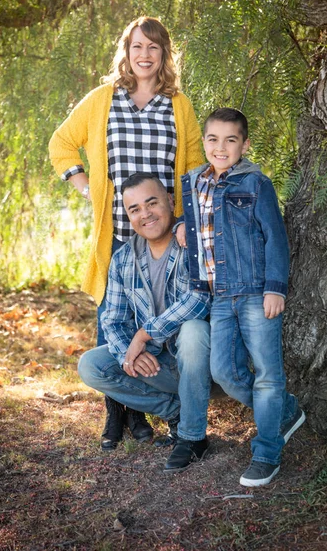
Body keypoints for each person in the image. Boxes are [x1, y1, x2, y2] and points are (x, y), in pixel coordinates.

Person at [49, 16, 204, 450]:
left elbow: (193, 169)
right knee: (111, 323)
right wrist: (84, 187)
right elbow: (61, 142)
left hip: (167, 234)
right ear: (126, 51)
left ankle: (153, 409)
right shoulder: (103, 100)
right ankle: (117, 416)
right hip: (118, 232)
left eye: (154, 48)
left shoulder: (179, 105)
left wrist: (188, 221)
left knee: (164, 320)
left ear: (164, 55)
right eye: (137, 46)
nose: (145, 55)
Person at [178, 107, 306, 486]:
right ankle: (286, 410)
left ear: (244, 144)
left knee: (267, 375)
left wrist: (275, 287)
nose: (221, 147)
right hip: (218, 296)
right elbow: (204, 226)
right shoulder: (194, 182)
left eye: (231, 140)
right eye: (214, 139)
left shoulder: (256, 183)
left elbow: (275, 238)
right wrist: (182, 224)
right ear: (204, 142)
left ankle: (267, 453)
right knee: (226, 372)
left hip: (254, 293)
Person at [78, 173, 212, 472]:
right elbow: (112, 320)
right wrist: (131, 352)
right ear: (128, 216)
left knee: (193, 330)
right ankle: (179, 413)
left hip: (204, 365)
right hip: (159, 366)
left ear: (171, 201)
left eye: (152, 203)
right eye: (134, 209)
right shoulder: (124, 258)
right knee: (91, 365)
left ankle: (193, 437)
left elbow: (200, 299)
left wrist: (144, 335)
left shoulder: (191, 241)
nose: (145, 214)